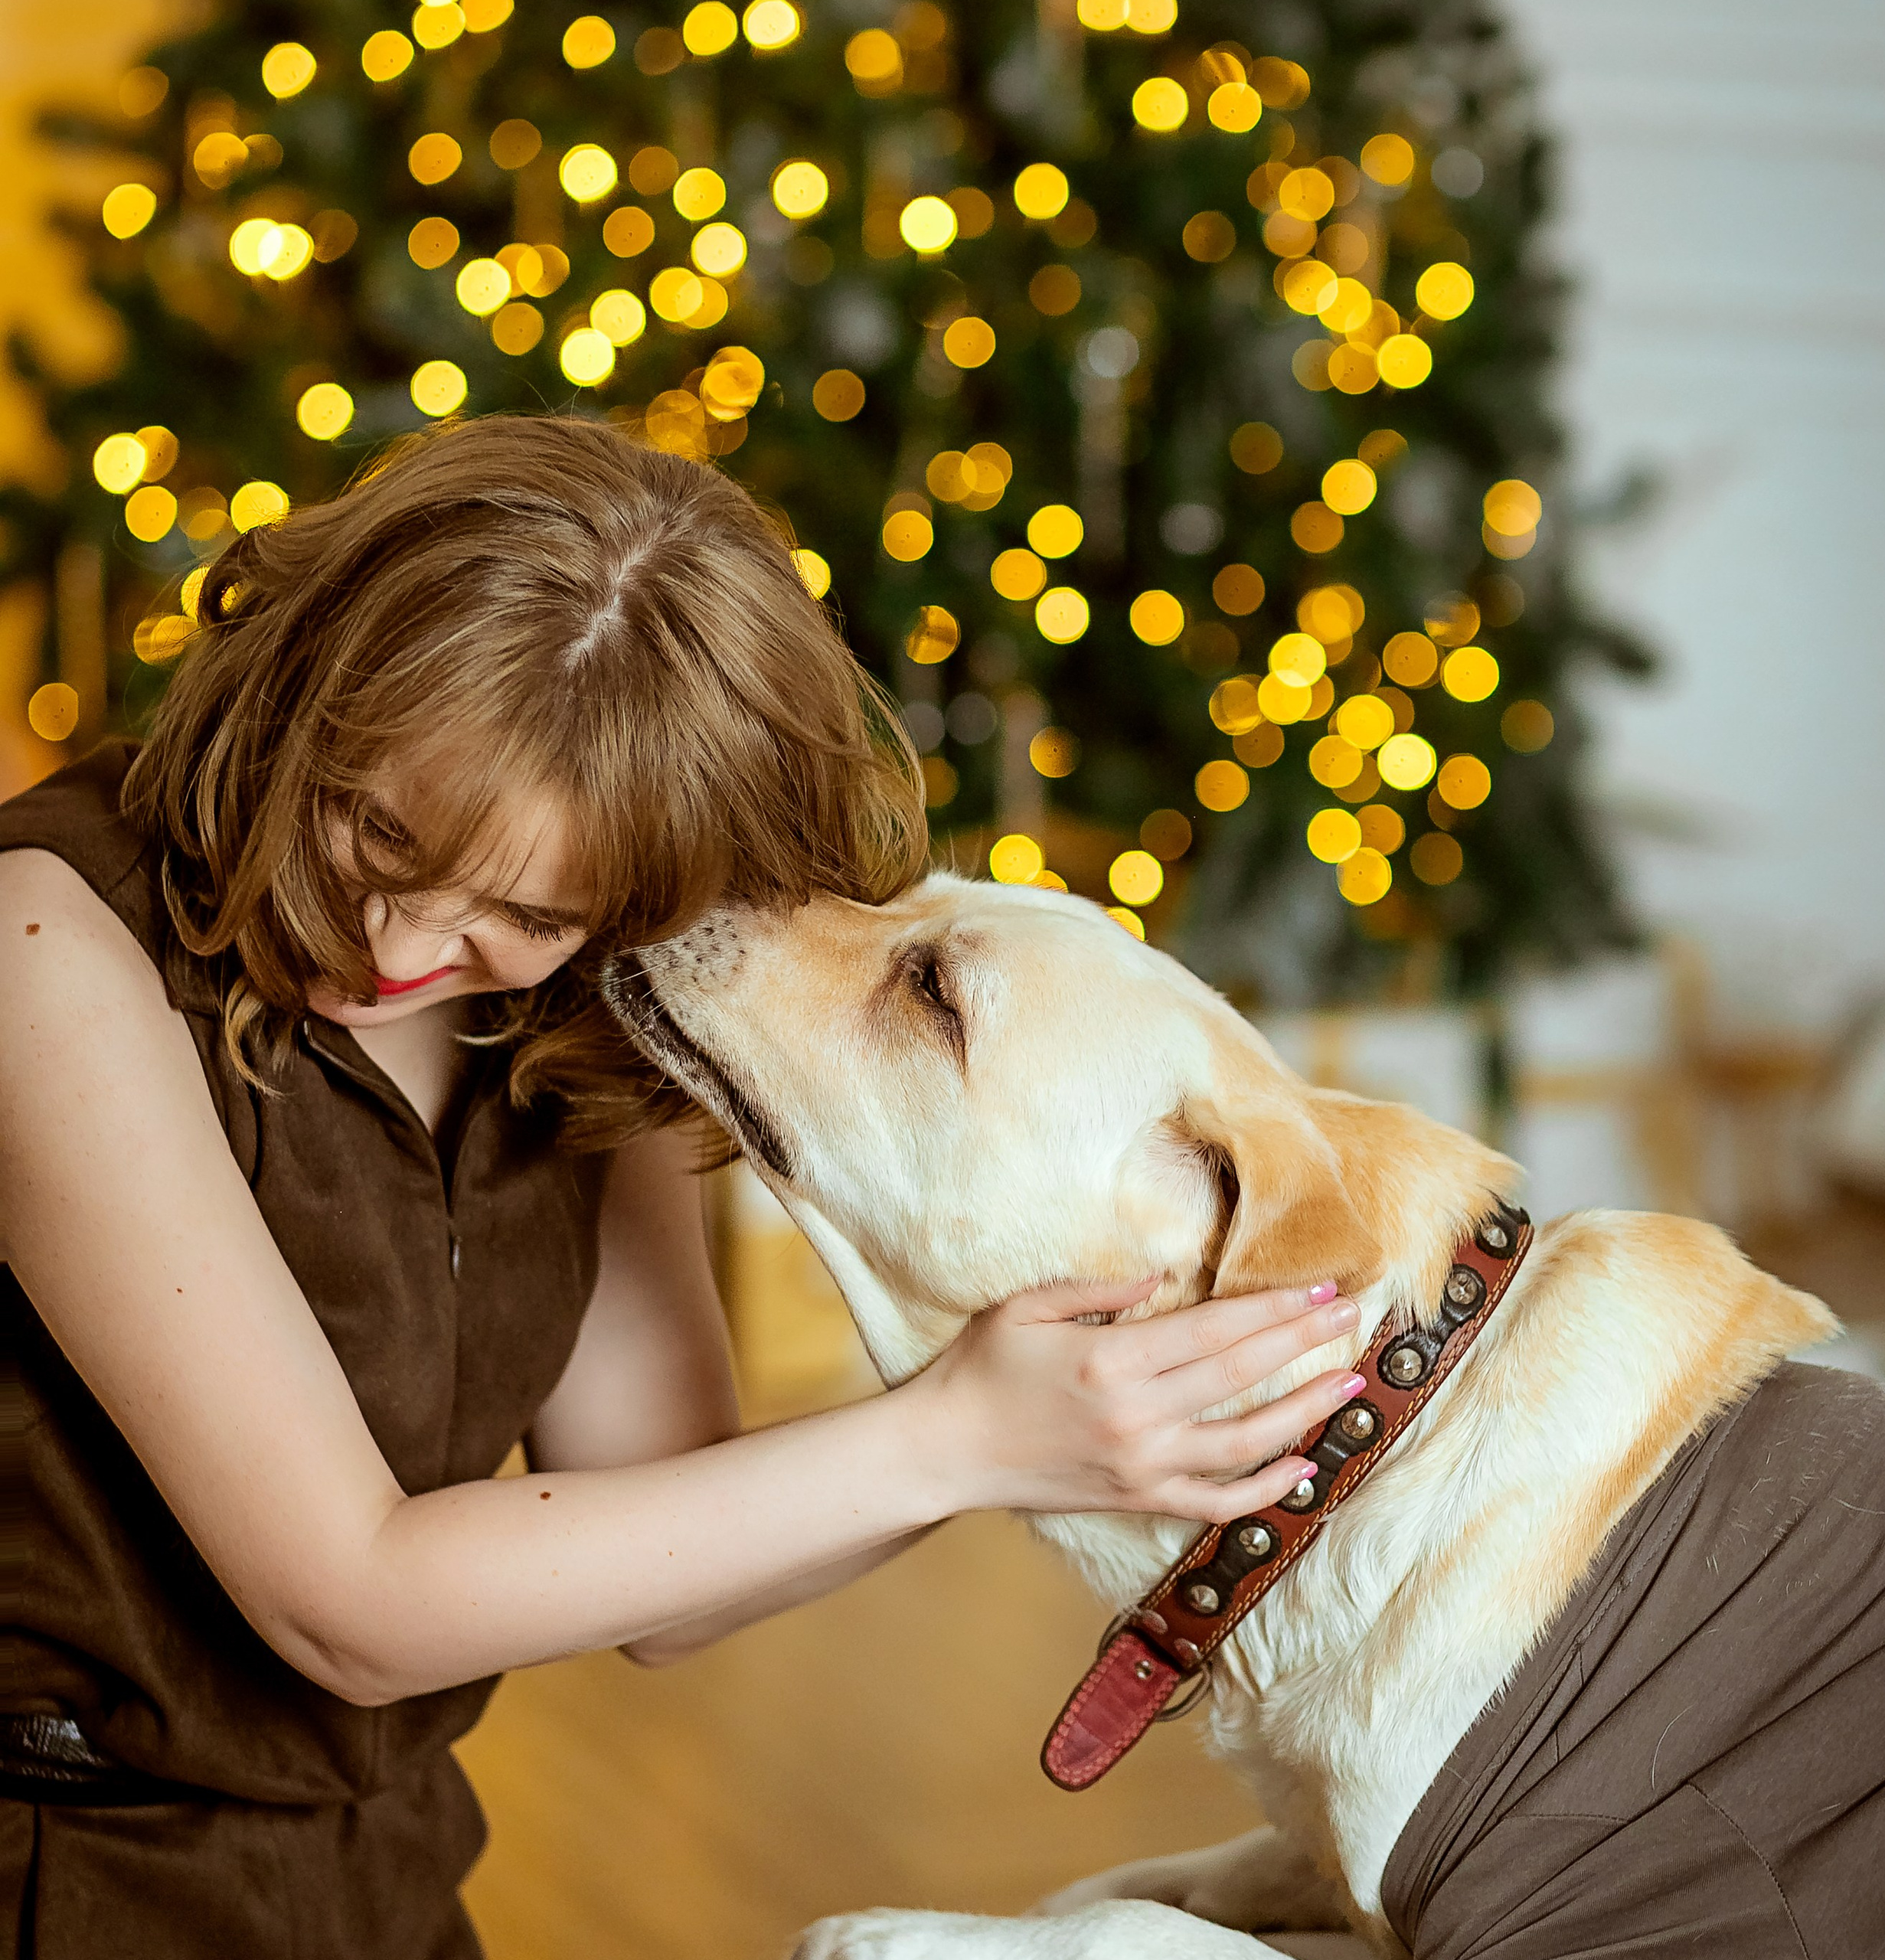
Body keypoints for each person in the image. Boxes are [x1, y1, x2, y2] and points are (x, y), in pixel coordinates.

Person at [0, 415, 1362, 1958]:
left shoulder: (581, 1008)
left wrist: (1040, 1427)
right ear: (309, 683)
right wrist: (961, 1431)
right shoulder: (46, 949)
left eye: (527, 912)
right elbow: (352, 1602)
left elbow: (673, 1576)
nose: (397, 947)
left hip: (383, 1873)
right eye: (375, 826)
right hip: (63, 1875)